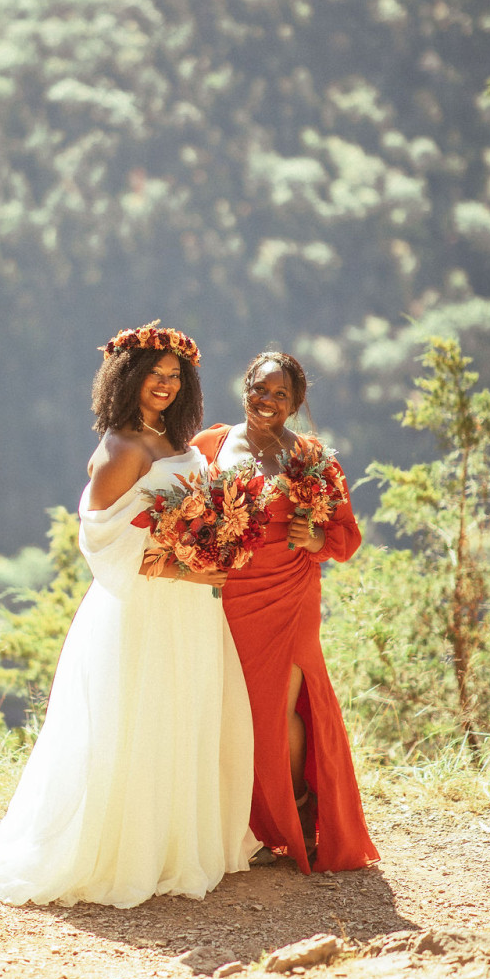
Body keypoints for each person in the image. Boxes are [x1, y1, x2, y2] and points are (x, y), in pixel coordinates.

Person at [0, 323, 257, 908]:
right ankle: (124, 852)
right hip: (143, 608)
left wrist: (217, 540)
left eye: (174, 375)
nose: (164, 384)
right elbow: (100, 540)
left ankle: (174, 843)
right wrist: (183, 567)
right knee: (138, 721)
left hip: (191, 609)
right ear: (128, 377)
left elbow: (184, 511)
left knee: (180, 713)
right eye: (153, 374)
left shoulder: (171, 436)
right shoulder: (120, 448)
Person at [193, 351, 379, 875]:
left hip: (291, 594)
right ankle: (249, 825)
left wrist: (317, 537)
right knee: (237, 709)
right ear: (245, 386)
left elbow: (346, 535)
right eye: (260, 388)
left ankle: (300, 811)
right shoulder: (211, 444)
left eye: (281, 394)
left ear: (295, 403)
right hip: (230, 596)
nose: (268, 401)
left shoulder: (311, 458)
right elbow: (186, 508)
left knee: (281, 709)